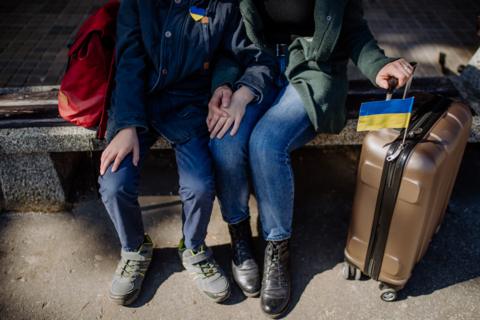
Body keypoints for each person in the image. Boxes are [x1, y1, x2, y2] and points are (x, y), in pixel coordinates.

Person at [208, 0, 414, 317]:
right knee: (226, 141)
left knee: (266, 142)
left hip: (312, 71)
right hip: (254, 67)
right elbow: (228, 38)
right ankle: (240, 238)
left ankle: (277, 248)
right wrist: (222, 83)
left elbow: (353, 30)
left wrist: (377, 65)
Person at [98, 0, 276, 306]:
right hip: (138, 103)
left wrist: (232, 86)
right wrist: (126, 124)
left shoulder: (223, 6)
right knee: (114, 182)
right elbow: (128, 61)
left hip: (188, 107)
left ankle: (193, 247)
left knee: (200, 186)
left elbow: (249, 55)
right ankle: (134, 248)